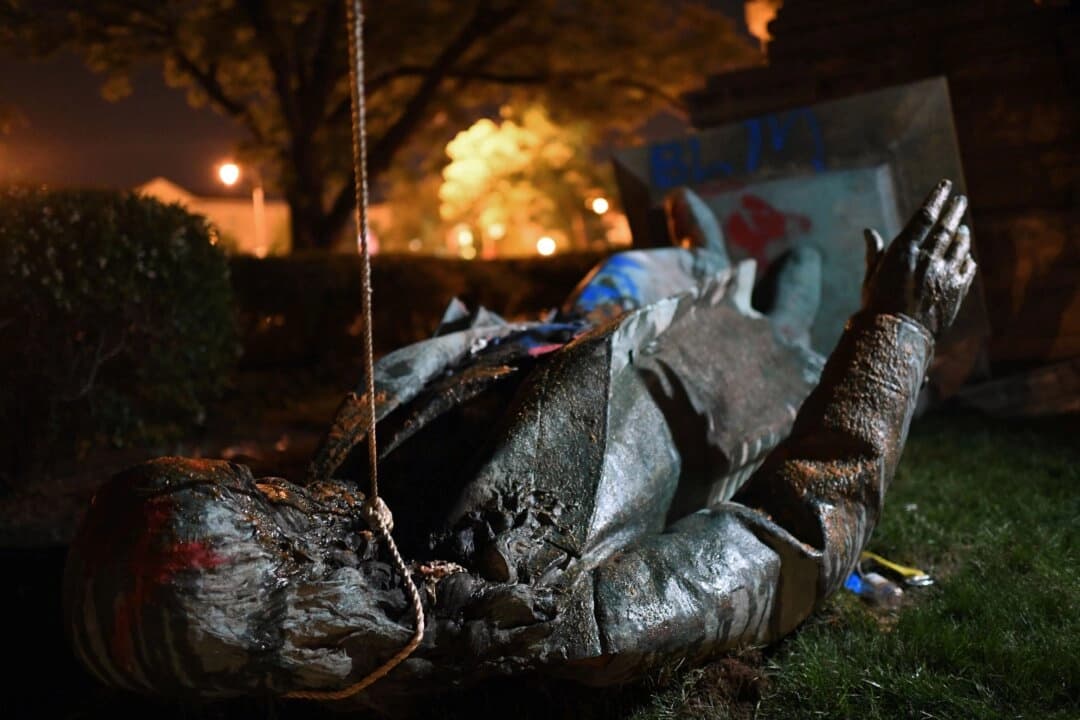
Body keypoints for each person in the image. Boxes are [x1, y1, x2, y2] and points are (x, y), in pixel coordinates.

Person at [64, 180, 975, 709]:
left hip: (570, 333)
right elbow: (792, 536)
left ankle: (695, 255)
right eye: (254, 508)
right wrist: (897, 329)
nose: (273, 487)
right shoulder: (557, 622)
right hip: (717, 385)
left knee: (638, 270)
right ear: (271, 588)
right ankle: (769, 292)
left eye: (246, 481)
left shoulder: (348, 516)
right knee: (786, 301)